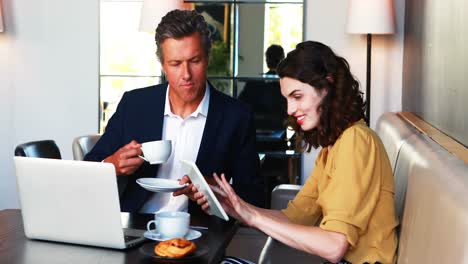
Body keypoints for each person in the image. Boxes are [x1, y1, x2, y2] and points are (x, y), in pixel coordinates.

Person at [191, 41, 398, 264]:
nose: (290, 110)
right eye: (287, 99)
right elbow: (294, 218)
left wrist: (252, 215)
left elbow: (334, 245)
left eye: (297, 96)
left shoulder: (356, 141)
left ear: (327, 85)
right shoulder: (333, 148)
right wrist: (236, 207)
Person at [85, 9, 263, 213]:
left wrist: (213, 190)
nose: (186, 74)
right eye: (175, 64)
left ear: (207, 58)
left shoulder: (237, 117)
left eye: (194, 61)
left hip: (203, 233)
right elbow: (89, 167)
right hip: (136, 229)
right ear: (163, 65)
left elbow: (254, 197)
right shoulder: (134, 105)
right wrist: (112, 164)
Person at [238, 44, 287, 133]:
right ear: (282, 60)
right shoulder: (286, 84)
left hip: (255, 130)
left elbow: (241, 105)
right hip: (278, 130)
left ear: (267, 60)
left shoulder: (253, 83)